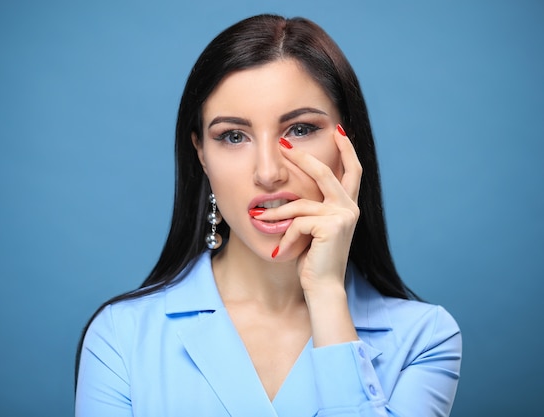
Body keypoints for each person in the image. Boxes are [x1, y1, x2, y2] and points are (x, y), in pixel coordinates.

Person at [75, 14, 461, 416]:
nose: (268, 172)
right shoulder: (122, 337)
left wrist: (327, 293)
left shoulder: (425, 338)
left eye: (300, 129)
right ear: (201, 154)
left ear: (348, 142)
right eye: (233, 136)